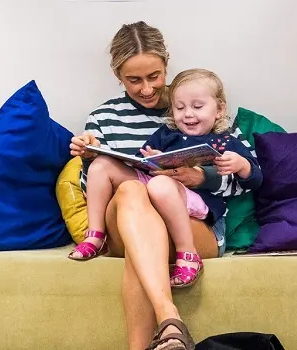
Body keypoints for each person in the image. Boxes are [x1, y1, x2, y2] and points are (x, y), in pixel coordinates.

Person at [66, 22, 256, 350]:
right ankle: (170, 318)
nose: (146, 89)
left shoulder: (194, 100)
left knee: (142, 247)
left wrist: (204, 177)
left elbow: (247, 179)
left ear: (166, 65)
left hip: (192, 224)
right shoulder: (103, 117)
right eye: (133, 80)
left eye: (154, 76)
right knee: (131, 191)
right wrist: (87, 157)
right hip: (126, 216)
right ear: (117, 75)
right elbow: (94, 184)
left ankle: (161, 331)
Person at [74, 68, 263, 290]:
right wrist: (151, 160)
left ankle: (188, 254)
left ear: (219, 109)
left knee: (161, 185)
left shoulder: (225, 141)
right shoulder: (165, 134)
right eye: (180, 108)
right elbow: (138, 165)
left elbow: (256, 179)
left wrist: (241, 165)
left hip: (198, 204)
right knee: (101, 165)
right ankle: (95, 236)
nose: (188, 114)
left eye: (197, 107)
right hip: (153, 190)